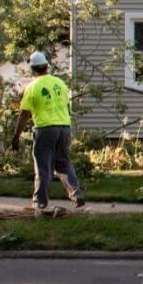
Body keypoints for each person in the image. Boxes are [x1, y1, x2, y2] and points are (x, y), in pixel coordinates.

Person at [11, 51, 85, 213]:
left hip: (45, 129)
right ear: (46, 66)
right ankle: (76, 193)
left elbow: (24, 114)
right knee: (63, 163)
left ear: (32, 69)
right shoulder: (60, 83)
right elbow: (65, 106)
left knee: (43, 166)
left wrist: (16, 136)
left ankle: (40, 202)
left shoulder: (32, 87)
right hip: (64, 127)